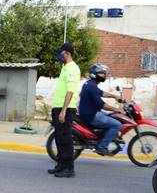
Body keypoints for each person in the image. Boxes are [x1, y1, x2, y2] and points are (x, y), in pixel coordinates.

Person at [48, 42, 81, 178]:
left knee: (66, 139)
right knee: (59, 138)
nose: (59, 55)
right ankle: (60, 165)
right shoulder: (65, 67)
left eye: (61, 52)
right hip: (58, 107)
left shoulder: (73, 69)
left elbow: (70, 91)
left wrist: (63, 110)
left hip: (66, 109)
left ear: (67, 53)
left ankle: (69, 168)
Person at [78, 64, 123, 156]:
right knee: (117, 124)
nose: (104, 75)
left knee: (112, 116)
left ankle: (103, 137)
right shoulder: (91, 86)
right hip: (91, 115)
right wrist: (117, 109)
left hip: (89, 112)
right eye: (102, 73)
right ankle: (102, 147)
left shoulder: (90, 84)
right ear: (95, 74)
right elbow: (101, 104)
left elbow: (101, 93)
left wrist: (114, 96)